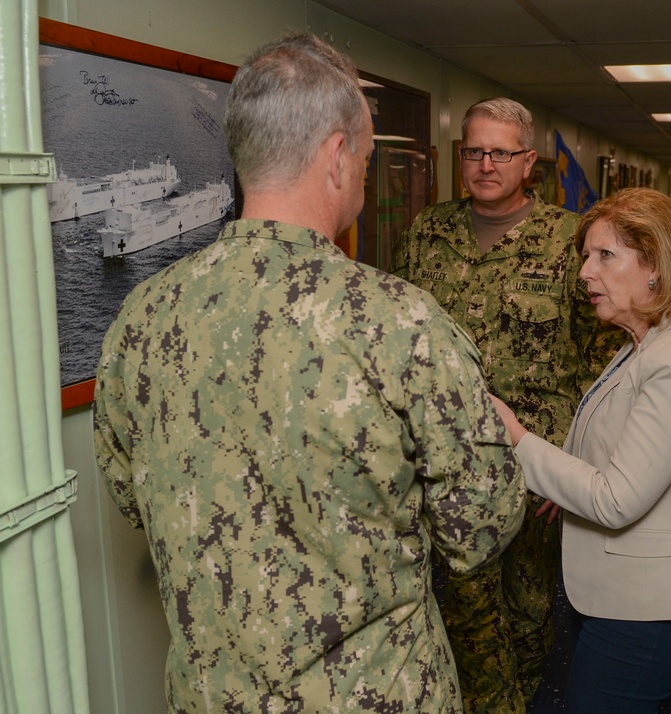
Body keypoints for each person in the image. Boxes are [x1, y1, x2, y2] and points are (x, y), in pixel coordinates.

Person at [92, 34, 526, 713]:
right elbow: (480, 530)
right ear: (335, 156)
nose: (361, 178)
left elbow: (132, 494)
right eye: (365, 159)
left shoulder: (141, 319)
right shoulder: (399, 323)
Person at [392, 97, 613, 713]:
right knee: (459, 618)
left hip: (533, 470)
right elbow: (400, 342)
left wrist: (569, 458)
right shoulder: (428, 234)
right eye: (473, 151)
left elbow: (604, 363)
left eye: (500, 152)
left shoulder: (572, 241)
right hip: (447, 466)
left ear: (528, 161)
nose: (485, 164)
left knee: (528, 617)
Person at [491, 187, 671, 713]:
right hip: (621, 595)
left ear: (657, 267)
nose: (584, 273)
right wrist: (567, 485)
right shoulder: (641, 344)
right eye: (585, 256)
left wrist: (518, 439)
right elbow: (618, 451)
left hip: (647, 608)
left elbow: (618, 499)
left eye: (605, 256)